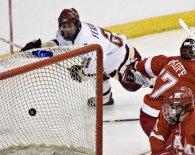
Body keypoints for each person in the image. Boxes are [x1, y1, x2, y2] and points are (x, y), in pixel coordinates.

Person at [21, 8, 150, 106]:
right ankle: (105, 98)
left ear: (77, 25)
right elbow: (59, 43)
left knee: (134, 85)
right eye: (64, 26)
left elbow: (95, 66)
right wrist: (42, 46)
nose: (67, 30)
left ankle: (161, 82)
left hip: (122, 57)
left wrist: (81, 73)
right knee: (93, 70)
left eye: (70, 26)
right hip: (105, 57)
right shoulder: (65, 32)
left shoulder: (86, 39)